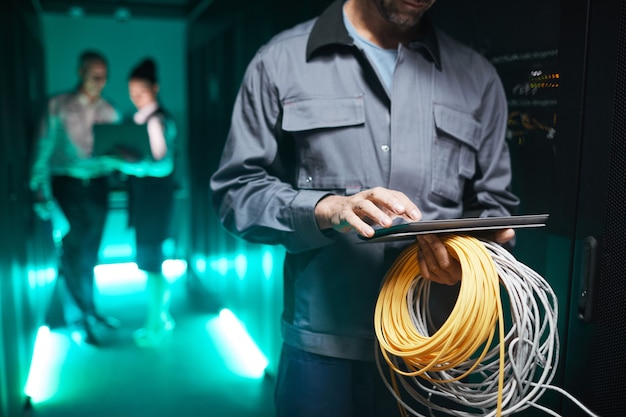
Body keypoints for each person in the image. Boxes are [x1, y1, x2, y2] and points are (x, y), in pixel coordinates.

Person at [210, 0, 519, 415]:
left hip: (433, 349)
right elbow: (236, 194)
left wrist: (472, 259)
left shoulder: (477, 78)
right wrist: (325, 210)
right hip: (323, 351)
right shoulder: (280, 61)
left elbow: (494, 208)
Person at [30, 50, 122, 346]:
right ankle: (78, 320)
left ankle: (90, 311)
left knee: (92, 254)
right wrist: (40, 190)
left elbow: (118, 152)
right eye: (95, 75)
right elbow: (42, 151)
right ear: (80, 72)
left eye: (104, 76)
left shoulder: (110, 110)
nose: (101, 81)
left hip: (98, 186)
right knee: (71, 254)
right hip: (66, 186)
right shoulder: (57, 105)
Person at [114, 58, 177, 347]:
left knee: (152, 264)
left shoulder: (157, 120)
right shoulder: (140, 118)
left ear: (155, 88)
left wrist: (130, 166)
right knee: (152, 264)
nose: (135, 96)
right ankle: (159, 319)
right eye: (132, 91)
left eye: (141, 91)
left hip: (154, 203)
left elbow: (163, 165)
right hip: (146, 202)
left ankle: (156, 323)